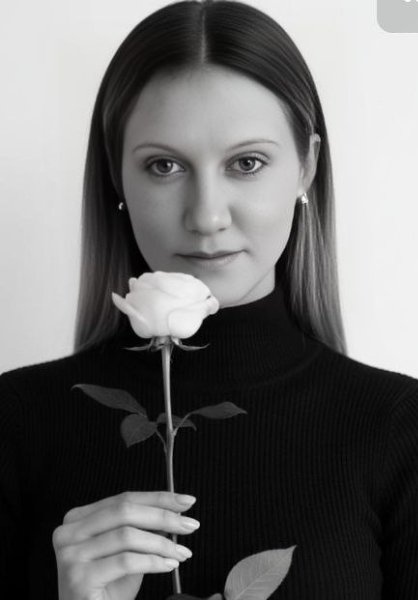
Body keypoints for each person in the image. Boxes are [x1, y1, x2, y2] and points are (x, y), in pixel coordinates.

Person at [0, 1, 417, 598]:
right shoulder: (16, 422)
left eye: (247, 163)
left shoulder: (399, 429)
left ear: (306, 167)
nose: (206, 216)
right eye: (164, 165)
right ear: (117, 177)